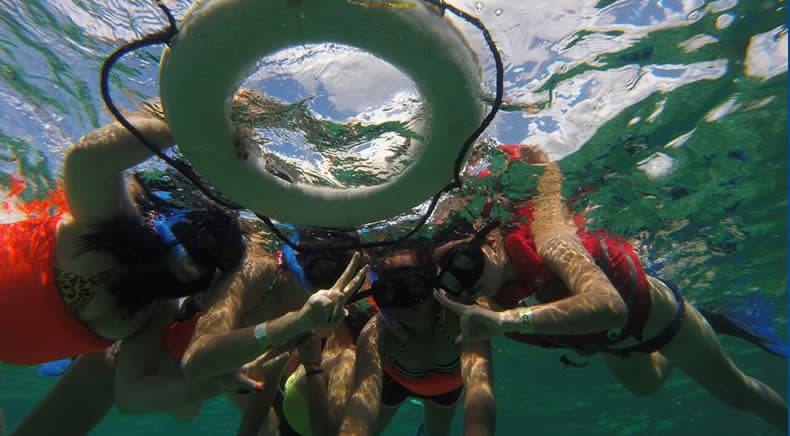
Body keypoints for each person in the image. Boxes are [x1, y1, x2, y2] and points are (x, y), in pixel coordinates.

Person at [433, 156, 788, 430]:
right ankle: (704, 325)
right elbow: (475, 383)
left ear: (492, 241)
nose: (466, 281)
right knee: (645, 387)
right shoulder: (481, 301)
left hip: (663, 320)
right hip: (612, 344)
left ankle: (709, 323)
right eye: (452, 279)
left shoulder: (551, 240)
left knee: (739, 394)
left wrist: (504, 320)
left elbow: (609, 306)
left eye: (465, 262)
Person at [5, 113, 245, 435]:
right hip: (19, 349)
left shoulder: (104, 231)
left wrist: (188, 126)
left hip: (13, 291)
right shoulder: (156, 311)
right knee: (105, 363)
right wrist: (213, 383)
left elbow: (88, 157)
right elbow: (143, 398)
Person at [340, 239, 495, 436]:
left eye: (414, 285)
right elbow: (360, 404)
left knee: (437, 433)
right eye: (390, 291)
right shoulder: (376, 334)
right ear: (380, 296)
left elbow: (479, 390)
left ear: (433, 282)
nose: (404, 301)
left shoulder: (462, 318)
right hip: (394, 384)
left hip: (446, 392)